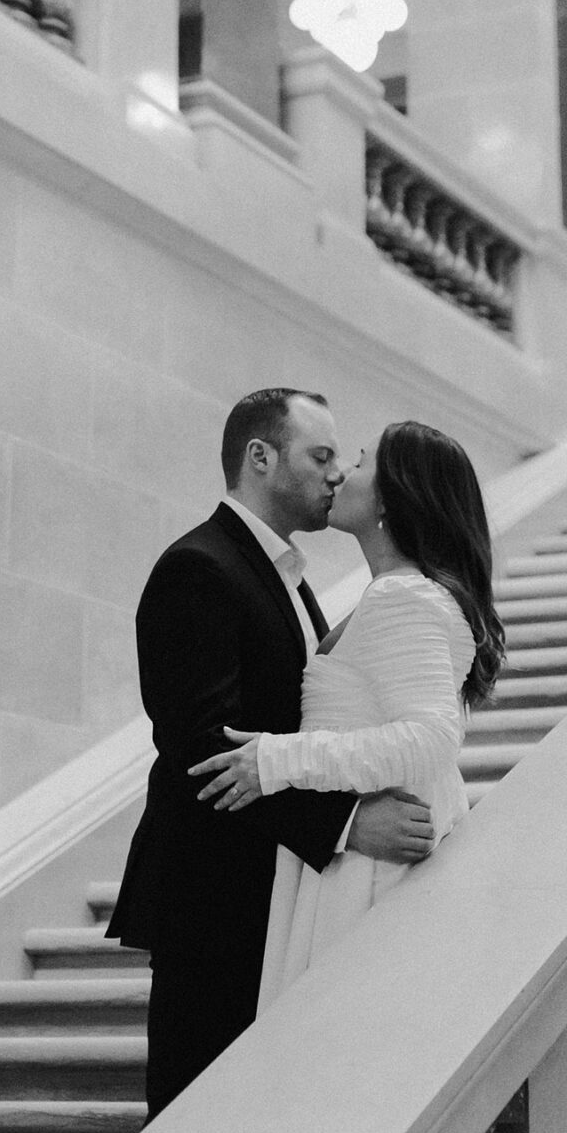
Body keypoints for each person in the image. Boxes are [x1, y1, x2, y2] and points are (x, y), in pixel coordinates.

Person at [106, 388, 437, 1116]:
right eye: (319, 456)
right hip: (213, 899)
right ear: (260, 457)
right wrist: (346, 824)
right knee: (196, 1126)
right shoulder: (198, 567)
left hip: (274, 895)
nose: (333, 475)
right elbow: (204, 749)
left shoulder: (288, 576)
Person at [190, 419, 503, 1007]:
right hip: (358, 850)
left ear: (391, 497)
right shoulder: (393, 592)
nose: (340, 474)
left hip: (373, 872)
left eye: (358, 463)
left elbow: (431, 736)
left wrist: (277, 758)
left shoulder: (402, 596)